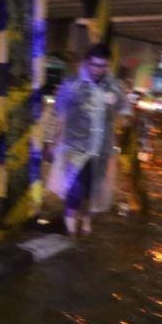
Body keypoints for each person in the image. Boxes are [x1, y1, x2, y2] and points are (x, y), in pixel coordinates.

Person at [47, 44, 129, 237]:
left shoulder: (114, 86)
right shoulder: (72, 84)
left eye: (102, 66)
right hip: (75, 147)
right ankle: (70, 230)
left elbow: (124, 113)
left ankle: (85, 220)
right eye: (94, 65)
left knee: (92, 190)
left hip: (101, 149)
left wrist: (119, 131)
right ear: (86, 62)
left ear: (107, 66)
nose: (97, 70)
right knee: (74, 187)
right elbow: (59, 115)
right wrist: (52, 142)